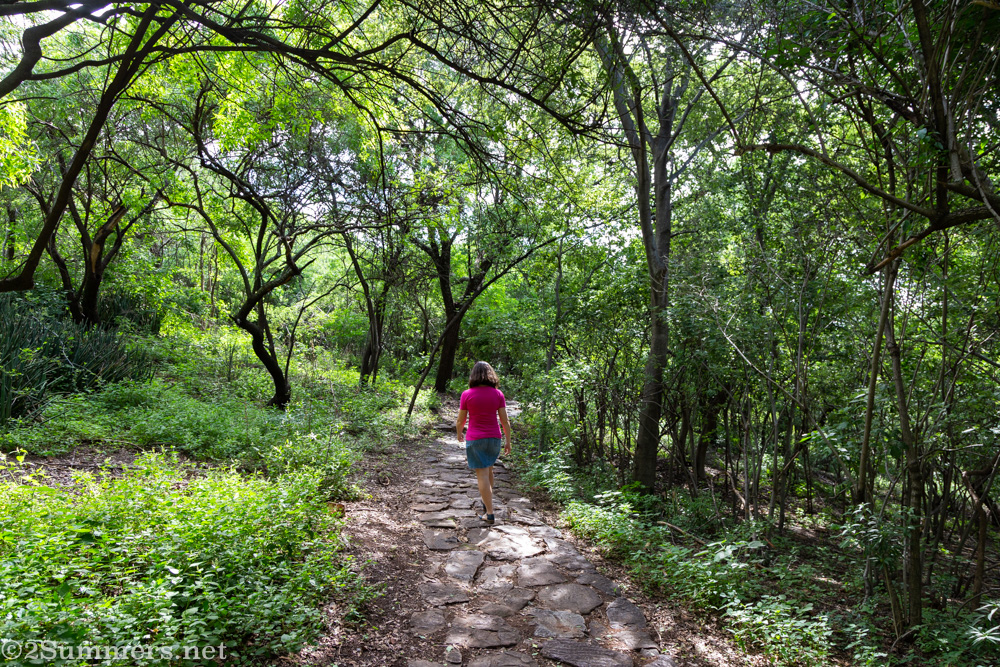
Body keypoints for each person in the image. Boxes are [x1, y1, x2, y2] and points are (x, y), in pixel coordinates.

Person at [456, 361, 511, 525]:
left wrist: (459, 434)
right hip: (494, 438)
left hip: (476, 438)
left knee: (482, 475)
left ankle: (490, 513)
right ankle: (487, 503)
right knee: (489, 471)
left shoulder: (467, 394)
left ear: (473, 375)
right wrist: (508, 441)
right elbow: (505, 420)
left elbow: (460, 420)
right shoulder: (498, 394)